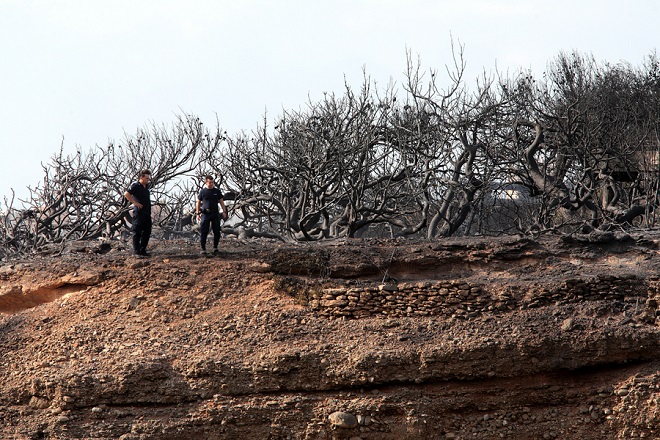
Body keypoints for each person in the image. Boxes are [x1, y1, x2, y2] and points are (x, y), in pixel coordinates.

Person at [196, 175, 227, 255]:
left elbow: (221, 201)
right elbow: (198, 203)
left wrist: (224, 211)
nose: (211, 184)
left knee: (217, 231)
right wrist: (197, 213)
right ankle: (203, 248)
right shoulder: (203, 191)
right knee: (204, 231)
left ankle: (215, 247)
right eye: (210, 183)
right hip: (205, 213)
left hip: (215, 213)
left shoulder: (217, 191)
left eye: (212, 183)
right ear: (206, 182)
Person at [124, 169, 152, 257]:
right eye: (146, 178)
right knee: (137, 231)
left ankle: (142, 250)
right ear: (141, 177)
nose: (148, 180)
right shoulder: (136, 186)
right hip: (139, 212)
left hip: (147, 213)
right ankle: (136, 251)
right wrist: (135, 203)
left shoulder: (146, 187)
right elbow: (126, 194)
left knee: (147, 231)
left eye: (148, 178)